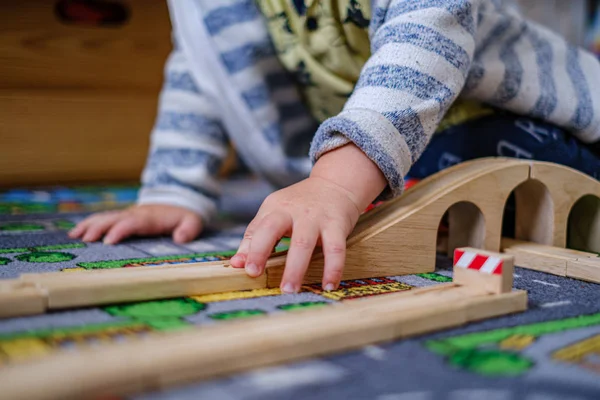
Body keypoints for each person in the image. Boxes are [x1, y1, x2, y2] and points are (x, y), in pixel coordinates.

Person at [70, 0, 600, 294]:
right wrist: (173, 188)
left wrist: (336, 181)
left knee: (504, 170)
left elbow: (428, 37)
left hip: (505, 109)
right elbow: (208, 69)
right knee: (396, 199)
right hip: (403, 147)